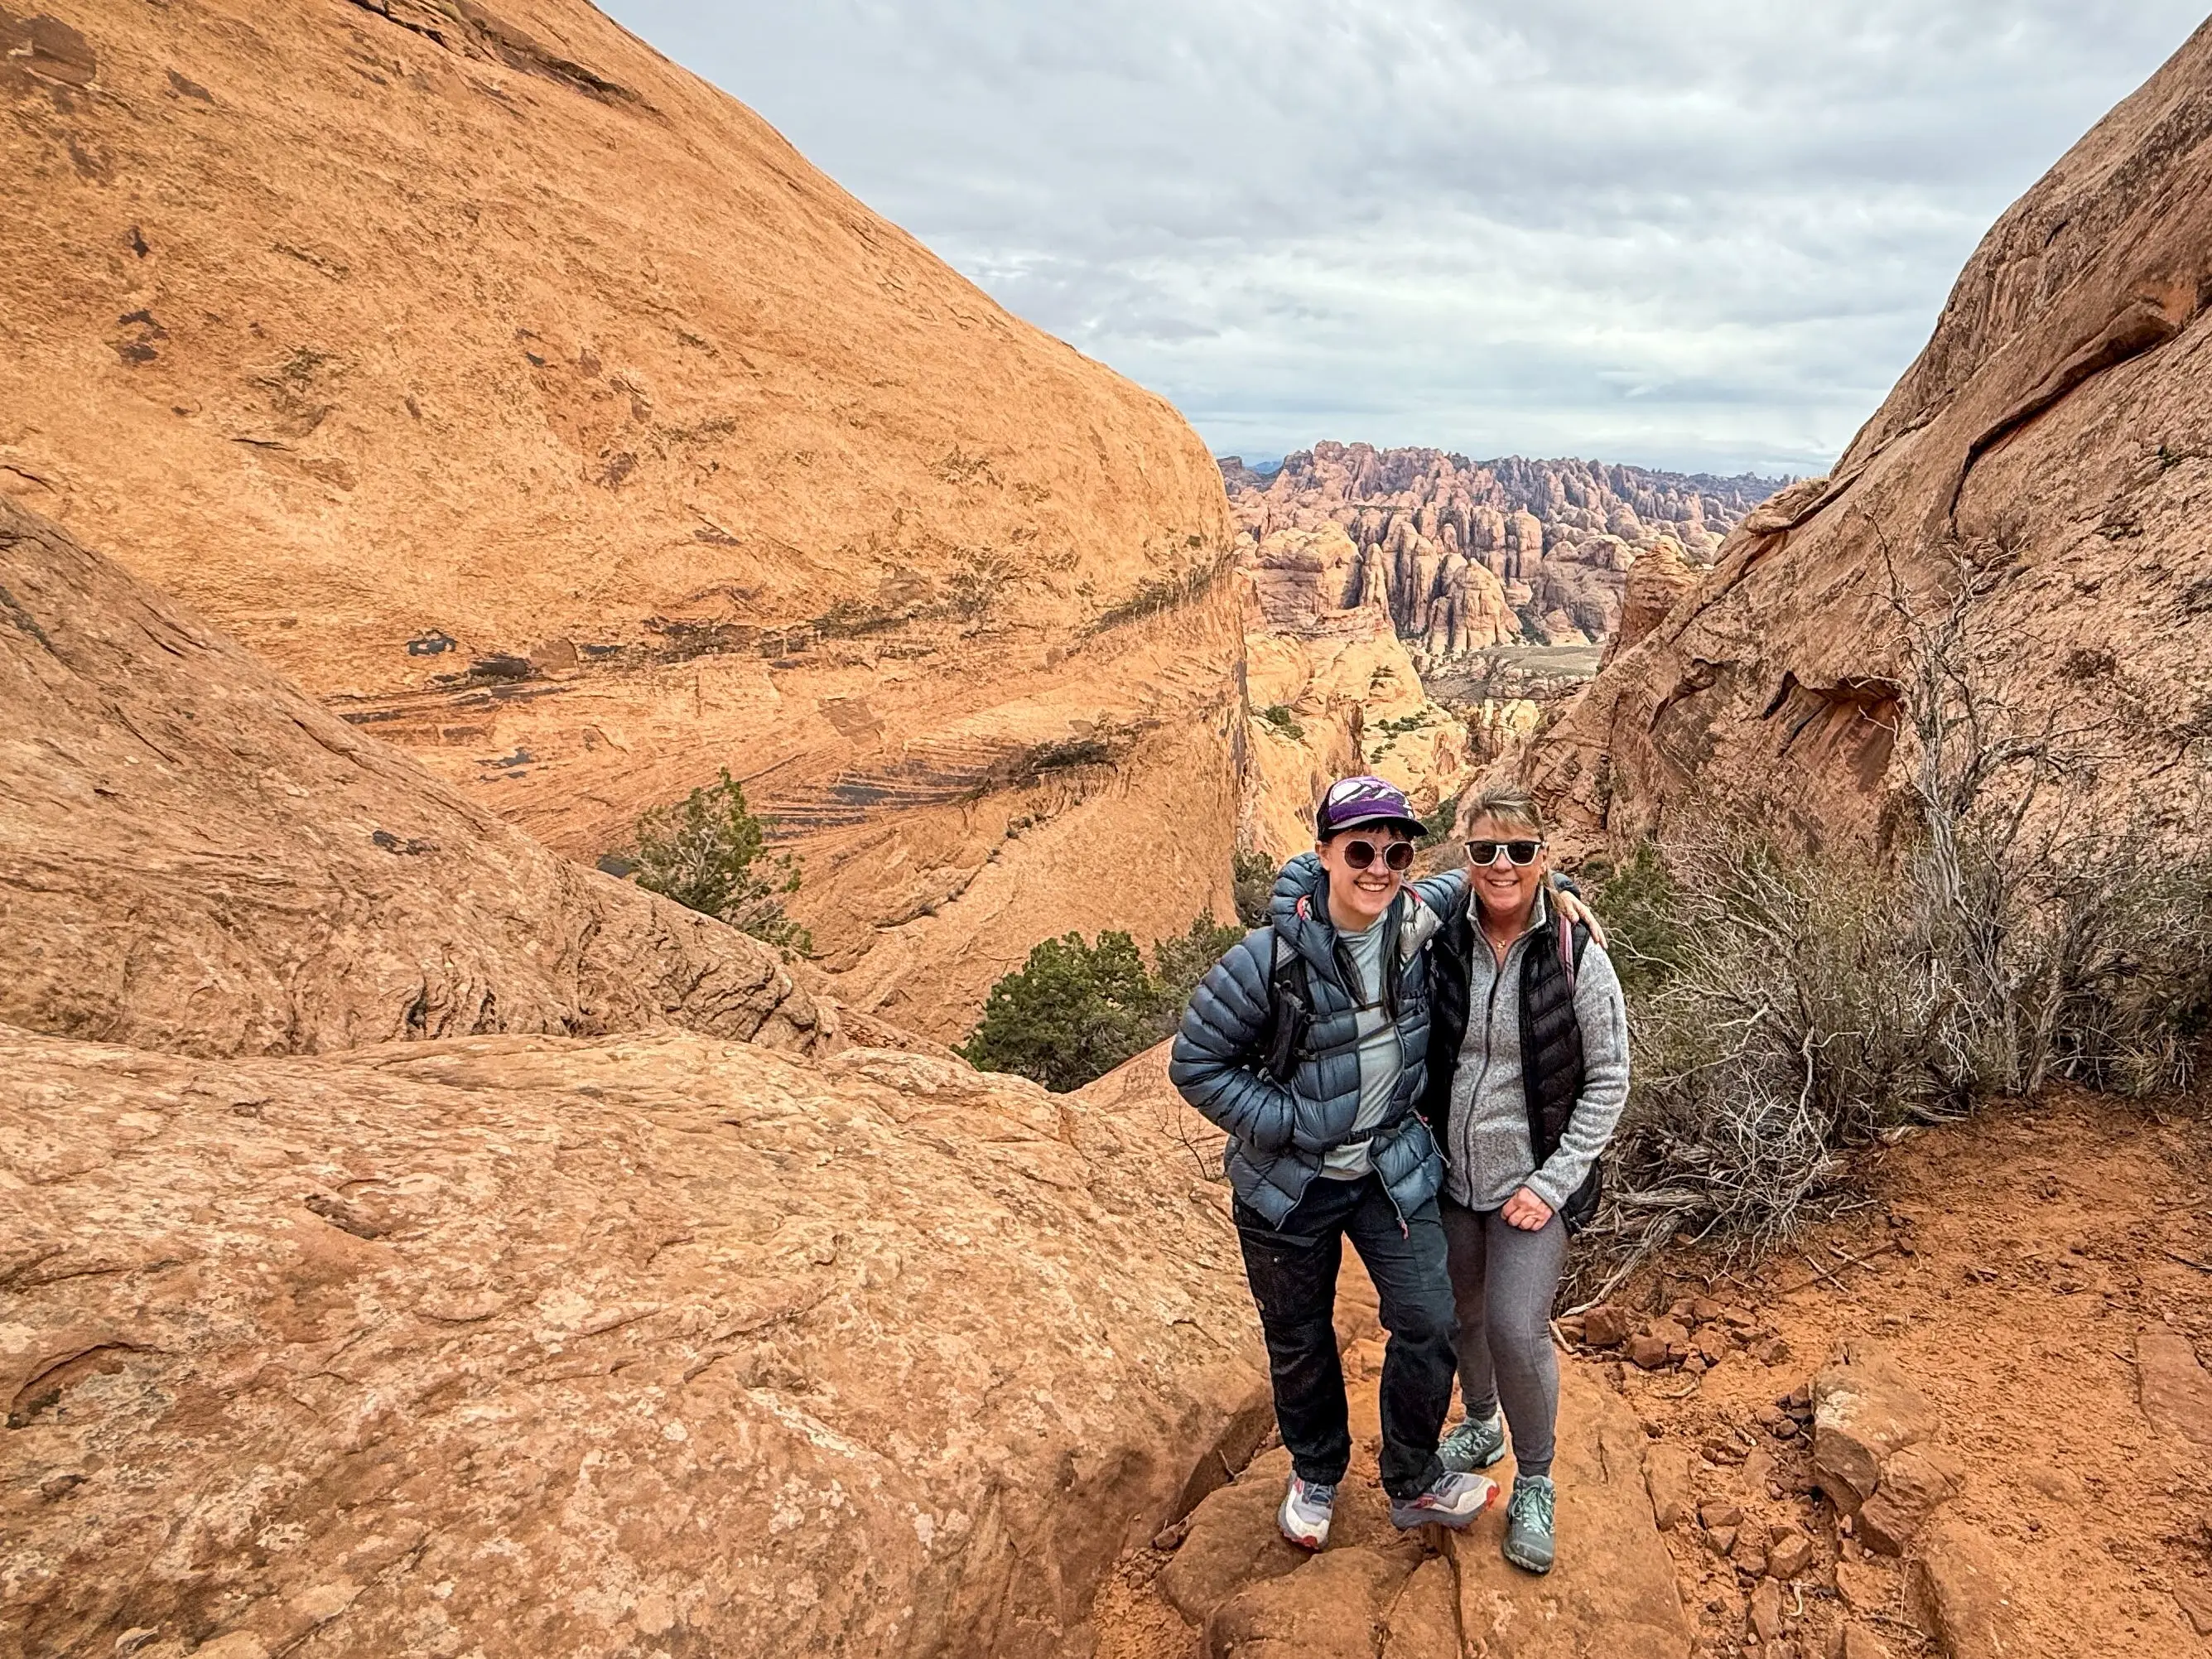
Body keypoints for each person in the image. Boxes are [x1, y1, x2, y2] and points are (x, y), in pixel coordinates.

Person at [1169, 774, 1499, 1547]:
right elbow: (1196, 1064)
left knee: (1427, 1320)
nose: (1378, 866)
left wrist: (1556, 892)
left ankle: (1414, 1481)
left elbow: (1482, 878)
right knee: (1300, 1335)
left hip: (1389, 1168)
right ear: (1322, 854)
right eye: (1359, 849)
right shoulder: (1266, 958)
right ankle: (1315, 1470)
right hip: (1287, 1186)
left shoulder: (1414, 918)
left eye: (1395, 851)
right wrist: (1289, 1120)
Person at [1422, 784, 1630, 1576]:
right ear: (1467, 860)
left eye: (1517, 849)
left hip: (1534, 1182)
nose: (1500, 864)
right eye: (1483, 850)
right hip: (1451, 1178)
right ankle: (1481, 1421)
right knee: (1459, 1315)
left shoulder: (1577, 954)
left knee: (1513, 1325)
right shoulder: (1443, 937)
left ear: (1544, 858)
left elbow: (1609, 1079)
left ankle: (1535, 1480)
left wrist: (1552, 1183)